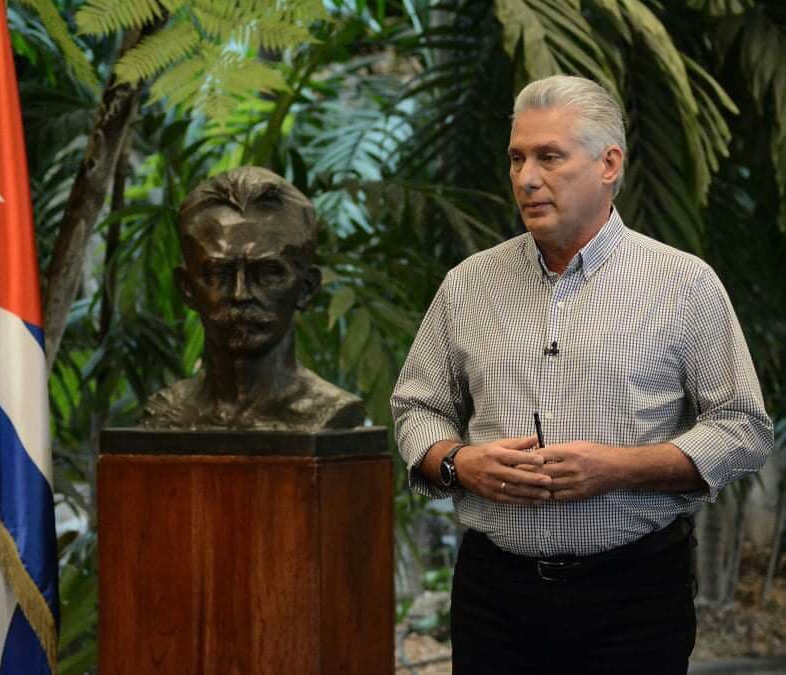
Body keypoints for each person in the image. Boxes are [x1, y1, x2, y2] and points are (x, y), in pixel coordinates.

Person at [391, 75, 773, 674]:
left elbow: (743, 426)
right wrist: (457, 462)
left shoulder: (683, 284)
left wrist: (620, 468)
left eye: (549, 157)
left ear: (608, 164)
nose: (526, 178)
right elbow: (416, 405)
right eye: (517, 158)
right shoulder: (469, 283)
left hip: (635, 593)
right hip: (493, 593)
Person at [144, 166, 364, 430]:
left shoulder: (328, 412)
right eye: (218, 274)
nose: (240, 294)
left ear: (306, 288)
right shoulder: (166, 414)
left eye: (268, 274)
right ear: (187, 288)